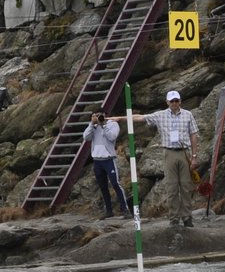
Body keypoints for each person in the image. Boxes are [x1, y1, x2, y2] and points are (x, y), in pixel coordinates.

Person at [137, 90, 199, 227]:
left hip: (184, 152)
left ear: (180, 101)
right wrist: (120, 118)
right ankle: (174, 218)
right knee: (171, 187)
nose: (175, 103)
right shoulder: (161, 115)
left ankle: (187, 217)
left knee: (186, 186)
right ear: (167, 102)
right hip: (169, 152)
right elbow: (142, 118)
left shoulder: (188, 115)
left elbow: (194, 135)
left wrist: (194, 156)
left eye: (177, 100)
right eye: (172, 101)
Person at [81, 110, 130, 218]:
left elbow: (112, 137)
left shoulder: (112, 124)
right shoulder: (93, 127)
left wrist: (103, 125)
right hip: (97, 160)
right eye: (96, 116)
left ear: (105, 115)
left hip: (108, 159)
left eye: (100, 115)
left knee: (115, 184)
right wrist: (92, 124)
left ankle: (125, 209)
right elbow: (86, 137)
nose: (98, 118)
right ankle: (108, 211)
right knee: (103, 186)